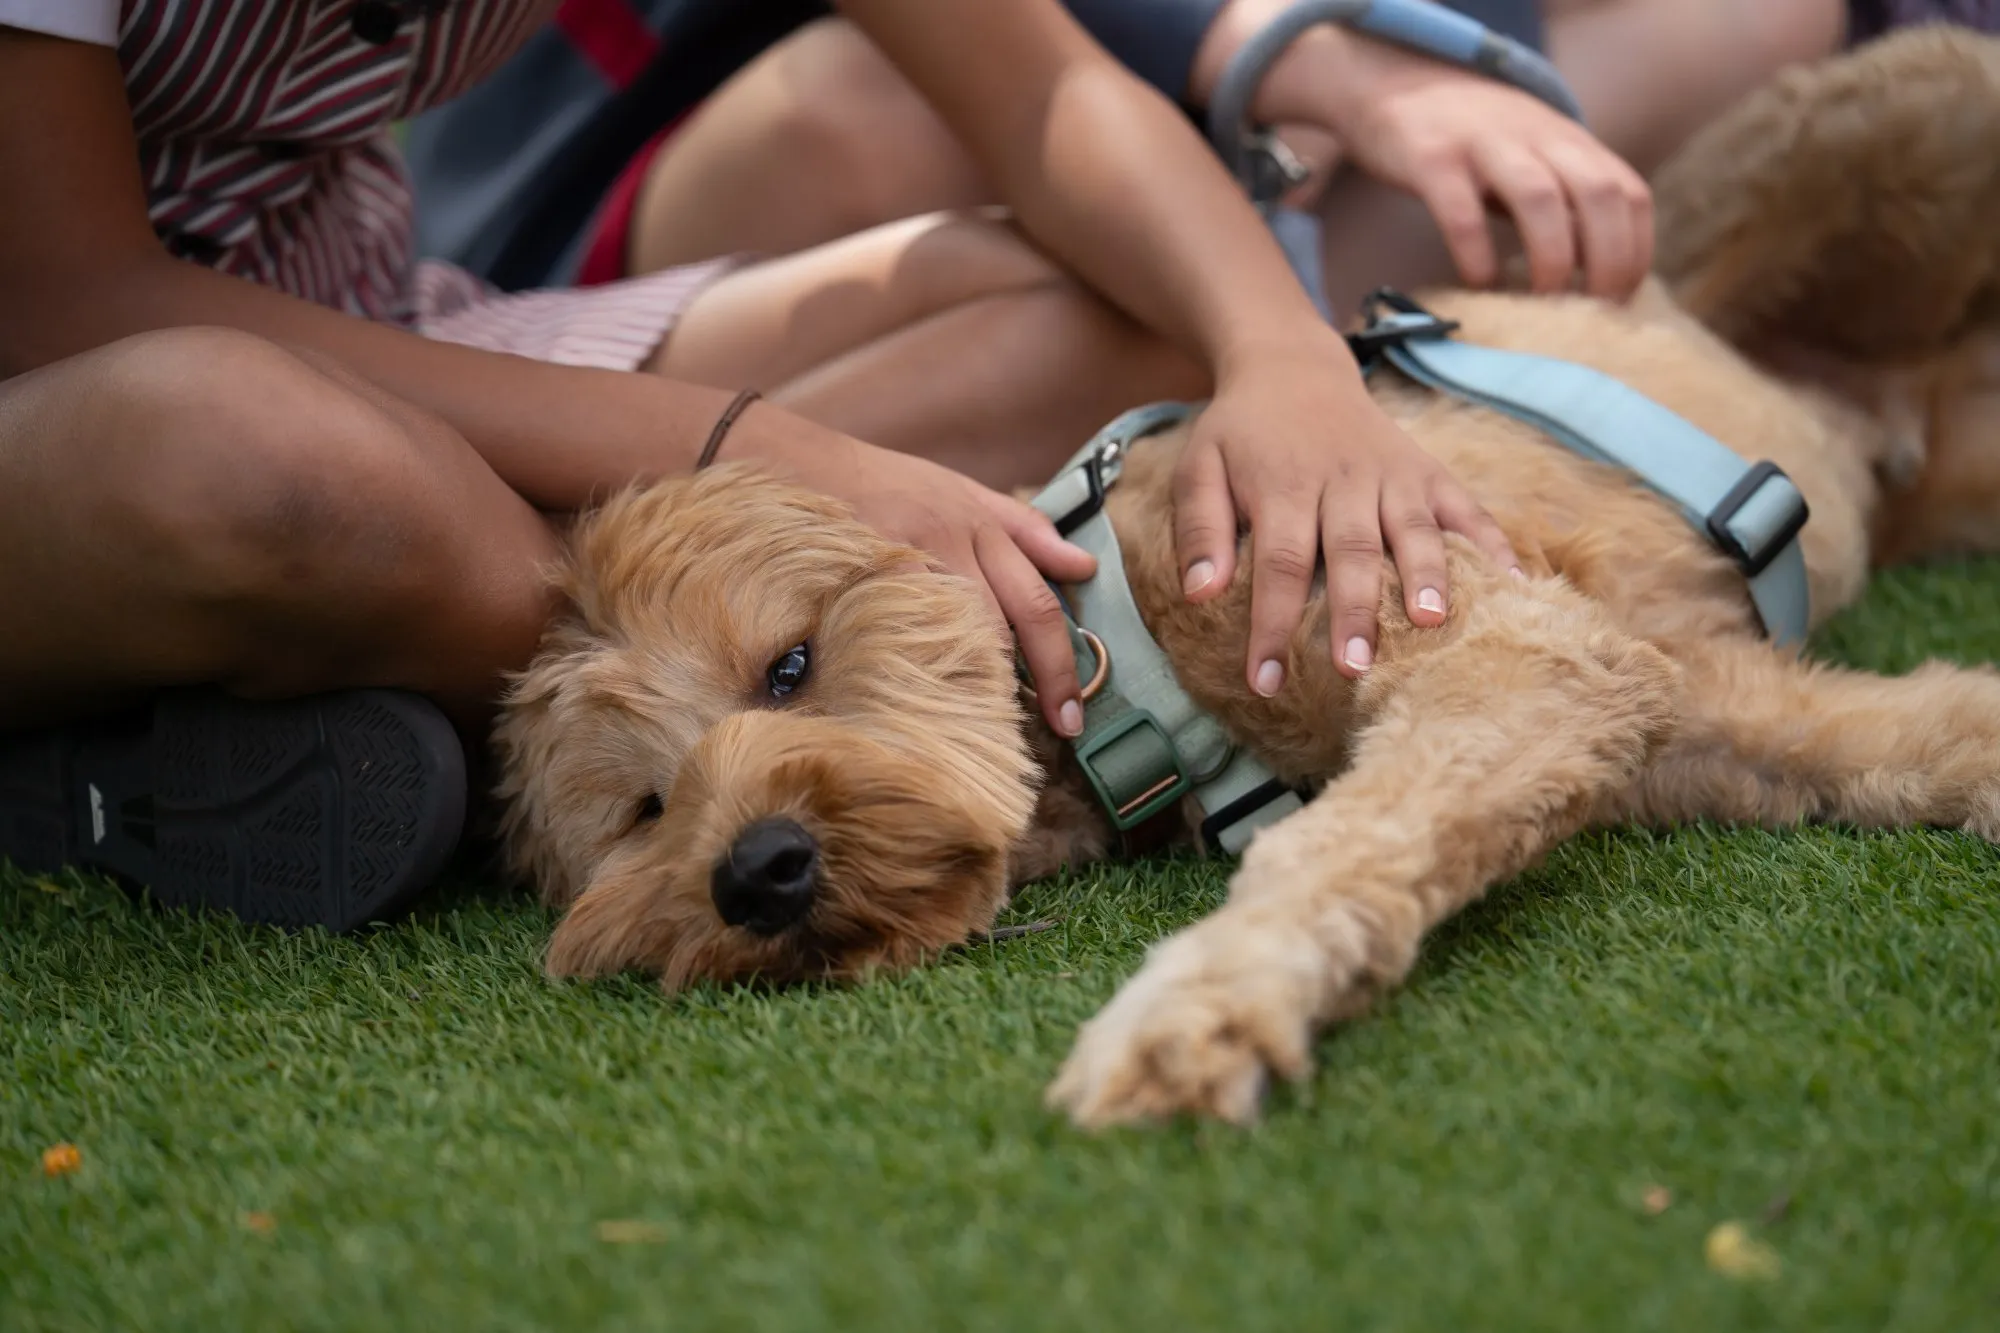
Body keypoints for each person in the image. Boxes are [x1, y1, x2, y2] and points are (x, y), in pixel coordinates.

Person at [0, 0, 1643, 930]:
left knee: (1102, 322)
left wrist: (1280, 357)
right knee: (269, 465)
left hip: (375, 313)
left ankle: (408, 683)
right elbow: (65, 300)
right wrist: (773, 456)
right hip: (96, 388)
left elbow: (1049, 91)